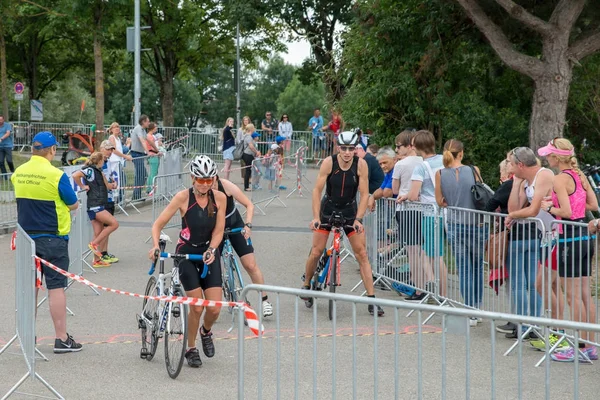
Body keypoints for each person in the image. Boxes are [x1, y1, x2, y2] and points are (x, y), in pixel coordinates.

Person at [149, 155, 226, 368]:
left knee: (214, 309)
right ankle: (191, 348)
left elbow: (219, 231)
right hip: (186, 255)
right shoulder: (182, 198)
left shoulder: (220, 198)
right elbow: (157, 225)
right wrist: (156, 246)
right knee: (198, 306)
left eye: (209, 180)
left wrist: (212, 249)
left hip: (208, 253)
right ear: (192, 178)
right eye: (200, 180)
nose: (205, 184)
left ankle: (206, 331)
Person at [11, 131, 82, 353]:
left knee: (30, 288)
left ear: (33, 149)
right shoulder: (56, 175)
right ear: (52, 150)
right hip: (53, 238)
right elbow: (73, 204)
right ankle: (61, 339)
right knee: (56, 288)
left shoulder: (18, 173)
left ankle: (27, 336)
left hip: (26, 239)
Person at [300, 131, 384, 316]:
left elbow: (363, 194)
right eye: (344, 148)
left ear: (356, 149)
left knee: (362, 254)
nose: (347, 152)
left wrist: (358, 220)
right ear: (338, 147)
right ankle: (306, 285)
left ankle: (372, 300)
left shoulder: (361, 165)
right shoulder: (329, 162)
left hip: (349, 210)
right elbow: (317, 190)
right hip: (328, 208)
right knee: (316, 251)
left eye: (351, 149)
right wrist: (315, 217)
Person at [535, 138, 598, 362]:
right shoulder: (579, 175)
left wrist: (549, 206)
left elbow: (568, 212)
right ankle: (590, 345)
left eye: (548, 155)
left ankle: (581, 346)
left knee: (573, 296)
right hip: (584, 237)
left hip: (569, 239)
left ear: (556, 156)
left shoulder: (561, 178)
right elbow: (592, 205)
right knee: (583, 295)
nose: (546, 158)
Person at [435, 139, 487, 326]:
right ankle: (478, 306)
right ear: (462, 153)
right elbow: (481, 192)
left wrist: (451, 201)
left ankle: (469, 308)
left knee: (464, 267)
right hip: (476, 223)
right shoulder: (473, 170)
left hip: (455, 223)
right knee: (477, 266)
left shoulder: (440, 173)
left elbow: (440, 200)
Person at [505, 147, 553, 338]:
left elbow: (532, 211)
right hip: (545, 236)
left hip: (557, 234)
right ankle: (528, 326)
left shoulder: (543, 175)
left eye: (510, 163)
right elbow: (514, 208)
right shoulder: (526, 180)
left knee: (544, 285)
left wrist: (512, 216)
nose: (509, 167)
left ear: (521, 164)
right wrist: (516, 184)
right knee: (538, 282)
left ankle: (547, 329)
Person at [212, 172, 273, 317]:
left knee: (250, 264)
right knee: (213, 268)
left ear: (216, 177)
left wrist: (248, 225)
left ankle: (264, 300)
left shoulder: (225, 185)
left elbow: (249, 205)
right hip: (215, 230)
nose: (209, 183)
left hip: (235, 225)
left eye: (212, 179)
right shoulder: (201, 190)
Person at [397, 130, 447, 300]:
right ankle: (443, 294)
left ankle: (442, 295)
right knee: (437, 254)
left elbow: (413, 195)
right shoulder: (443, 161)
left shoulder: (421, 167)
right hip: (445, 212)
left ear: (417, 147)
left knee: (435, 256)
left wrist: (408, 196)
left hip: (429, 213)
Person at [392, 129, 425, 297]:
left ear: (409, 146)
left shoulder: (400, 164)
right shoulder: (425, 161)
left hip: (406, 208)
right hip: (424, 209)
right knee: (423, 250)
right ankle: (420, 282)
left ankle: (419, 289)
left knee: (412, 250)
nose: (397, 150)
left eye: (398, 146)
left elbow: (395, 190)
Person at [72, 152, 119, 268]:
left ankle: (96, 260)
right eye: (103, 160)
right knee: (114, 224)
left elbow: (107, 186)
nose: (104, 162)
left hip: (98, 204)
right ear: (99, 161)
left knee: (98, 232)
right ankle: (94, 244)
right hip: (95, 205)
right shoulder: (90, 170)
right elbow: (75, 175)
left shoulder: (99, 171)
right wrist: (83, 186)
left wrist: (113, 185)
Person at [486, 157, 516, 334]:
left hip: (510, 236)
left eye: (501, 172)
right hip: (515, 234)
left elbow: (490, 205)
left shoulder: (508, 185)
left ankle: (516, 320)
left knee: (513, 281)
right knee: (517, 281)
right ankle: (519, 319)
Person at [97, 140, 120, 264]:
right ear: (101, 149)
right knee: (105, 227)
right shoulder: (98, 162)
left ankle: (104, 252)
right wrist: (110, 185)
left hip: (110, 197)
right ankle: (99, 253)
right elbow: (101, 180)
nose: (110, 152)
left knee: (107, 228)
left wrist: (113, 182)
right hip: (102, 198)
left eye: (111, 150)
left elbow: (109, 177)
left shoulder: (108, 162)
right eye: (107, 149)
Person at [107, 122, 132, 204]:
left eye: (118, 127)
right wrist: (125, 156)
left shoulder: (118, 139)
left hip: (119, 162)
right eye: (115, 127)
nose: (117, 128)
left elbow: (121, 149)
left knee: (122, 179)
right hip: (114, 162)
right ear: (111, 130)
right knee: (117, 179)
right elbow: (113, 150)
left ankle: (120, 198)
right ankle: (117, 198)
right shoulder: (112, 137)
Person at [129, 115, 150, 201]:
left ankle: (137, 194)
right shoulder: (138, 129)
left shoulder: (143, 130)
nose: (149, 123)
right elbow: (142, 140)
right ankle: (136, 195)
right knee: (140, 174)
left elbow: (148, 141)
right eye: (148, 121)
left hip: (140, 154)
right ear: (143, 122)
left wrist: (155, 150)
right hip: (136, 154)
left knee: (143, 175)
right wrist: (148, 152)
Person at [241, 124, 261, 192]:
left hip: (249, 155)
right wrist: (256, 152)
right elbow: (251, 146)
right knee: (248, 170)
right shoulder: (248, 137)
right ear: (251, 129)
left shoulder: (248, 136)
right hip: (247, 155)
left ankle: (249, 185)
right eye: (253, 128)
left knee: (249, 170)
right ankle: (246, 187)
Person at [145, 122, 161, 195]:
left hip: (153, 155)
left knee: (152, 173)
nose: (157, 128)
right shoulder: (150, 136)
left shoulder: (151, 136)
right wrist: (157, 152)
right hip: (153, 155)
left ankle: (149, 188)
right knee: (153, 173)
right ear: (152, 128)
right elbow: (151, 147)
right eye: (155, 126)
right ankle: (150, 189)